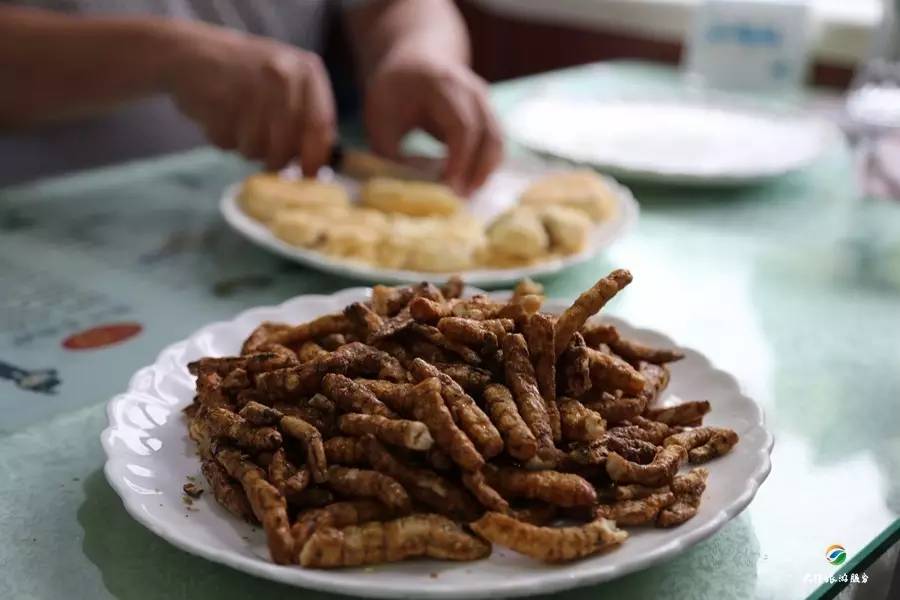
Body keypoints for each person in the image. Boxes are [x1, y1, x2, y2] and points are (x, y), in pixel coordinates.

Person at [0, 0, 503, 192]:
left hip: (283, 212)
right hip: (44, 218)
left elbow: (396, 6)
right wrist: (163, 54)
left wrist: (419, 53)